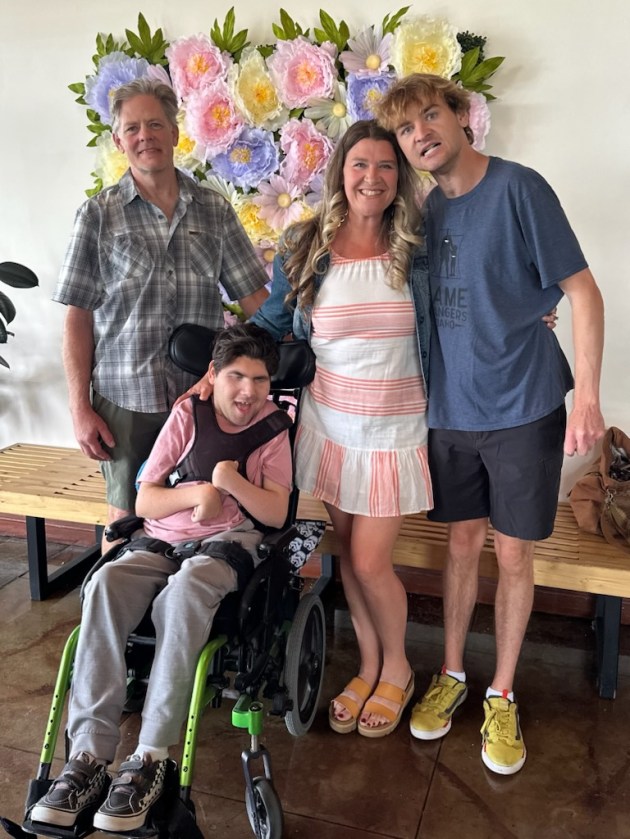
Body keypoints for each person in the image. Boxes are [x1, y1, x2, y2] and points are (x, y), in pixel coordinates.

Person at [376, 74, 605, 774]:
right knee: (460, 545)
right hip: (449, 411)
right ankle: (451, 672)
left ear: (461, 116)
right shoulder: (421, 214)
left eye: (431, 115)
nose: (421, 133)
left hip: (523, 406)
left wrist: (590, 392)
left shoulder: (519, 188)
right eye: (407, 128)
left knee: (512, 553)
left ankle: (501, 691)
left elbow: (583, 292)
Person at [30, 324, 292, 832]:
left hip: (226, 544)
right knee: (104, 585)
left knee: (185, 594)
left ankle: (150, 757)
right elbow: (145, 497)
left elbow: (278, 514)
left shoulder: (273, 428)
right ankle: (85, 758)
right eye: (236, 376)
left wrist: (229, 480)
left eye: (261, 380)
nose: (248, 391)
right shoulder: (186, 415)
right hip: (160, 537)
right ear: (212, 375)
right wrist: (197, 495)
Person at [251, 120, 432, 738]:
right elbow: (271, 327)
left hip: (393, 432)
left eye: (385, 166)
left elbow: (470, 302)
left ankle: (401, 668)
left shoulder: (420, 248)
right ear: (341, 173)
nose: (372, 178)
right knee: (349, 564)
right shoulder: (306, 248)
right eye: (360, 165)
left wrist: (531, 311)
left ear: (399, 178)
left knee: (369, 560)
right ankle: (372, 664)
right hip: (330, 428)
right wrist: (219, 370)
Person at [53, 77, 270, 548]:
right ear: (118, 140)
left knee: (203, 507)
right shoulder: (97, 215)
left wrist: (294, 345)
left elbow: (254, 297)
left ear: (175, 132)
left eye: (155, 124)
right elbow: (77, 317)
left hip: (204, 398)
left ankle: (185, 612)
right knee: (125, 518)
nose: (144, 136)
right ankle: (115, 615)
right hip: (125, 398)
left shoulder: (213, 210)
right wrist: (79, 407)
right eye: (132, 128)